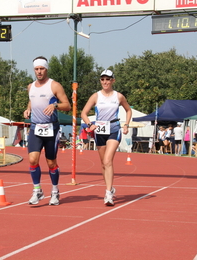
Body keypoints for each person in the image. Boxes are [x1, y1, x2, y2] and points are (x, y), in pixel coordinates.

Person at [23, 56, 71, 206]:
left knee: (51, 163)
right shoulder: (30, 87)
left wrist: (55, 106)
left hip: (51, 128)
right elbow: (32, 99)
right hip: (35, 127)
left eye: (41, 69)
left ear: (46, 69)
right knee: (32, 160)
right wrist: (28, 108)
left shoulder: (54, 86)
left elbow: (67, 105)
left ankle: (55, 191)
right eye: (36, 69)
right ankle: (37, 190)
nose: (39, 71)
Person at [81, 69, 132, 206]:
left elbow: (128, 110)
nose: (105, 82)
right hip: (100, 131)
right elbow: (84, 113)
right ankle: (111, 188)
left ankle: (108, 193)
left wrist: (126, 124)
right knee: (104, 163)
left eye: (108, 79)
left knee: (108, 160)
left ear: (113, 81)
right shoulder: (96, 96)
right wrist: (89, 124)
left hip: (114, 129)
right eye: (103, 79)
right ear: (100, 81)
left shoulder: (118, 96)